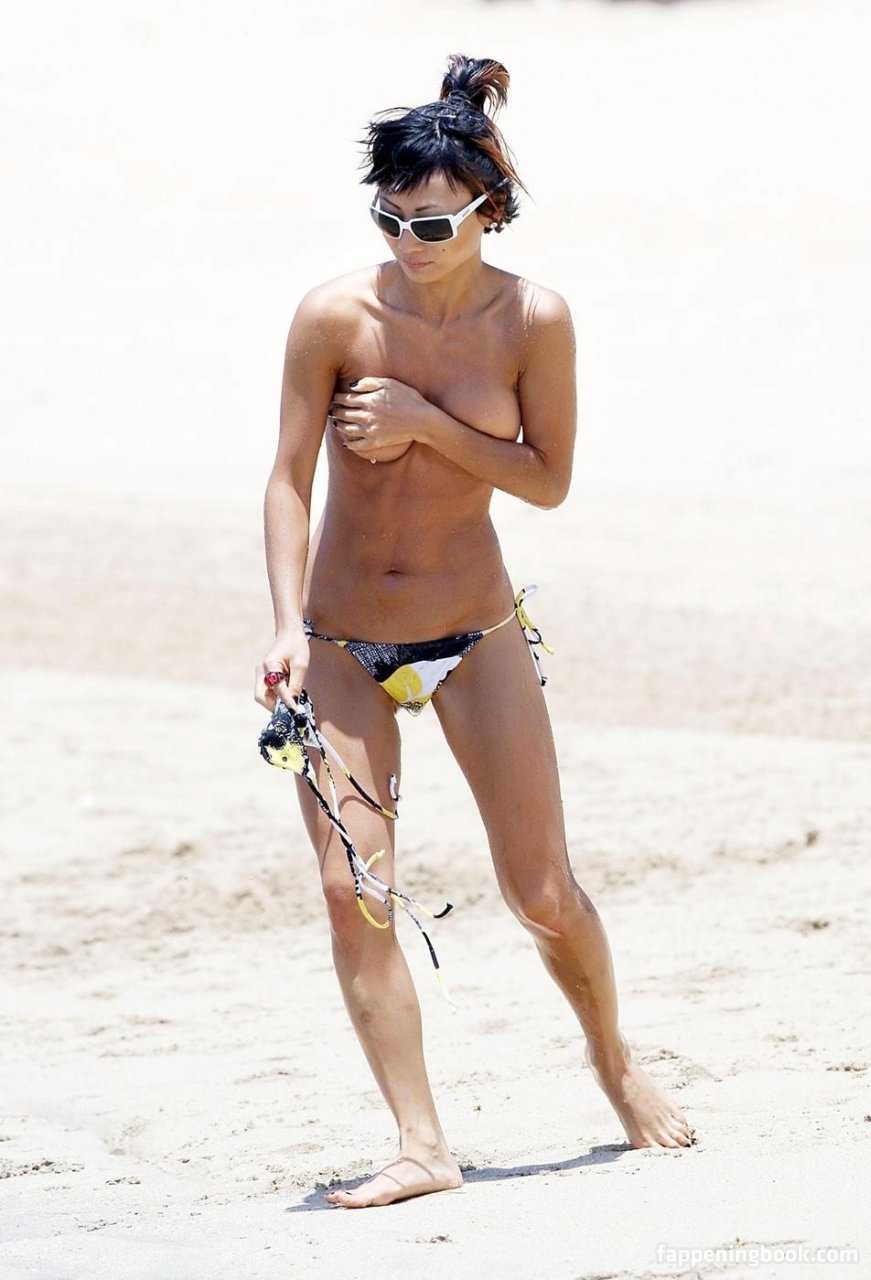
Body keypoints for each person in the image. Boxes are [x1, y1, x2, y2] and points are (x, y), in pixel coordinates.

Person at [255, 54, 692, 1210]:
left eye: (433, 224)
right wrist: (284, 625)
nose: (407, 241)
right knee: (354, 889)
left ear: (488, 211)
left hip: (474, 630)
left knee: (541, 889)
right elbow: (288, 479)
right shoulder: (334, 315)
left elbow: (547, 479)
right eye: (389, 218)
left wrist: (423, 421)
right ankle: (421, 1143)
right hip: (341, 643)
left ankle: (612, 1056)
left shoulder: (532, 319)